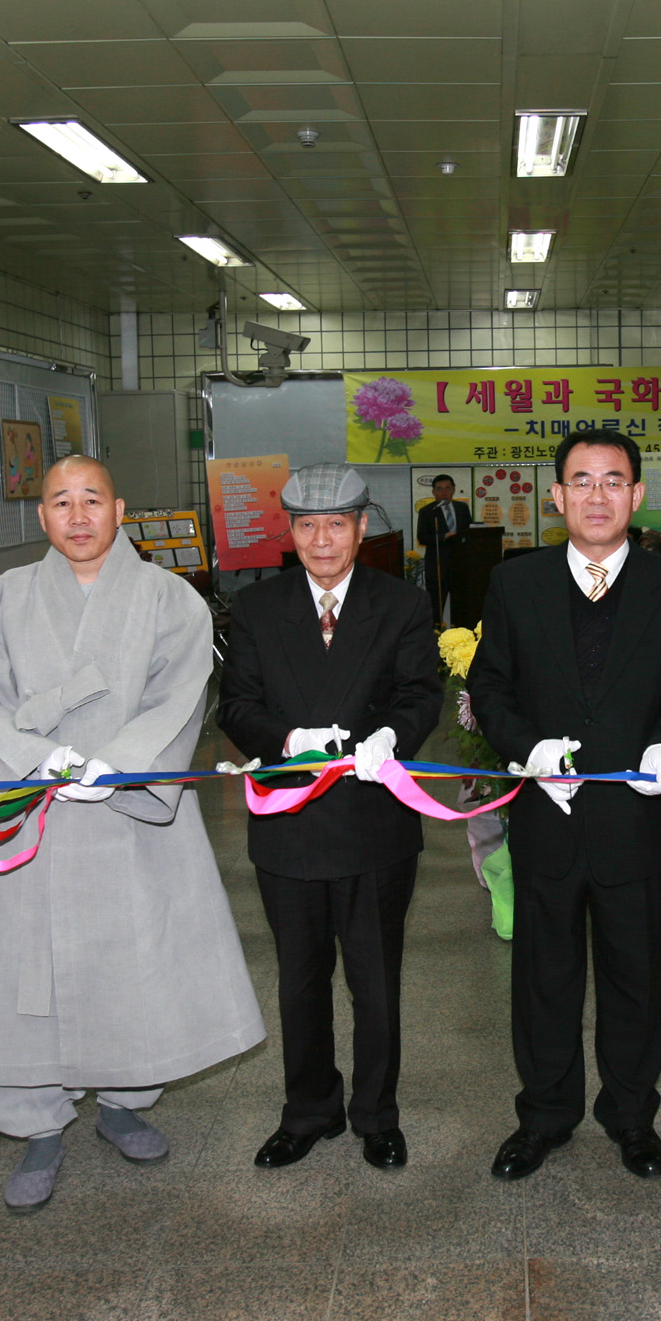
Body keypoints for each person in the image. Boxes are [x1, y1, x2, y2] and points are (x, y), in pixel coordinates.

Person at [0, 456, 264, 1214]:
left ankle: (122, 1099)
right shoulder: (0, 601)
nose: (77, 516)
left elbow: (181, 694)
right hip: (30, 815)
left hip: (125, 813)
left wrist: (117, 766)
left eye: (91, 500)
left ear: (119, 509)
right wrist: (32, 759)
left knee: (135, 957)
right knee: (24, 972)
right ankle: (36, 1122)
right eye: (59, 502)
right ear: (40, 516)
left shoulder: (169, 598)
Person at [466, 428, 661, 1181]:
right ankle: (544, 1114)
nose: (598, 494)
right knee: (544, 974)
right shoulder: (518, 582)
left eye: (614, 480)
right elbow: (491, 686)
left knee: (635, 974)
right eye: (582, 481)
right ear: (557, 496)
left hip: (634, 818)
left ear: (637, 494)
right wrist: (527, 747)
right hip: (548, 816)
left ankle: (632, 1115)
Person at [217, 464, 442, 1172]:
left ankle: (377, 1113)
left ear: (361, 527)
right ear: (289, 531)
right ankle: (309, 1109)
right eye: (307, 525)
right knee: (300, 978)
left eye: (336, 524)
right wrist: (286, 743)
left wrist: (391, 737)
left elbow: (419, 694)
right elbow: (237, 705)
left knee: (376, 981)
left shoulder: (401, 603)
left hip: (373, 822)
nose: (321, 539)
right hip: (289, 822)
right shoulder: (255, 608)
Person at [417, 474, 472, 623]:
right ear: (434, 492)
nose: (444, 492)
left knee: (462, 603)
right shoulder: (427, 511)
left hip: (460, 565)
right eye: (440, 489)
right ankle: (436, 633)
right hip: (437, 565)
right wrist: (444, 536)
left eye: (448, 488)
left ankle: (462, 634)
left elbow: (469, 532)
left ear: (453, 489)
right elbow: (422, 537)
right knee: (436, 604)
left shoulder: (462, 508)